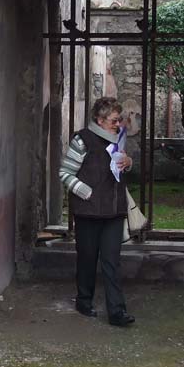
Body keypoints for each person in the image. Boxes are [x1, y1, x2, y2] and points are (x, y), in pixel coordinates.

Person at [58, 97, 136, 327]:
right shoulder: (82, 140)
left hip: (113, 210)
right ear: (100, 120)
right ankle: (84, 301)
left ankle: (117, 312)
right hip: (88, 212)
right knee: (87, 259)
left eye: (119, 119)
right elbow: (65, 173)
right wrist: (85, 192)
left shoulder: (118, 139)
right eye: (114, 120)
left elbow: (120, 166)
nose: (119, 124)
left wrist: (128, 162)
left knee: (112, 261)